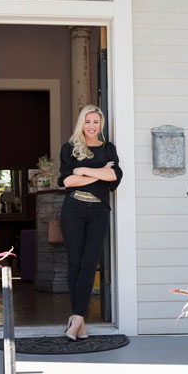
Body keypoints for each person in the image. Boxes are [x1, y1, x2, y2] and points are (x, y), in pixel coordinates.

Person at [58, 105, 123, 341]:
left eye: (96, 122)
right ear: (81, 124)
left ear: (101, 124)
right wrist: (99, 172)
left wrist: (83, 170)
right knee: (75, 264)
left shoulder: (108, 149)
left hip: (98, 211)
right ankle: (79, 322)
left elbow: (113, 176)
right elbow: (67, 181)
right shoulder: (70, 149)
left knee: (89, 263)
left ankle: (76, 319)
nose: (92, 126)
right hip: (73, 209)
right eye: (88, 121)